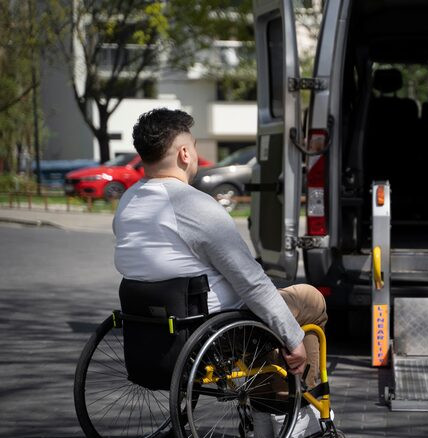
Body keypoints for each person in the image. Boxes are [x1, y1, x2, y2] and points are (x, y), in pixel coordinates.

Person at [113, 108, 327, 392]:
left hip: (151, 332)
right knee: (309, 299)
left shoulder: (128, 202)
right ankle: (295, 401)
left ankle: (272, 399)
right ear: (185, 154)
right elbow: (251, 282)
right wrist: (292, 337)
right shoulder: (192, 205)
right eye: (194, 146)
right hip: (212, 333)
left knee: (269, 304)